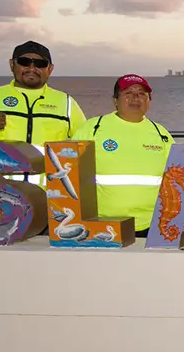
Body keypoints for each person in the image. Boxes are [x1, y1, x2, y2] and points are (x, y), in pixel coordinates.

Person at [0, 40, 87, 186]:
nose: (32, 68)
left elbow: (84, 147)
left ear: (50, 69)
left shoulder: (66, 103)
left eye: (40, 64)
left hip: (51, 197)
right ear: (12, 64)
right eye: (24, 62)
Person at [72, 75, 173, 236]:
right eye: (128, 93)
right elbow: (70, 171)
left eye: (141, 94)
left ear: (149, 100)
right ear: (115, 100)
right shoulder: (92, 128)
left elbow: (175, 179)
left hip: (153, 224)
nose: (135, 98)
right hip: (104, 224)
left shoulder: (161, 133)